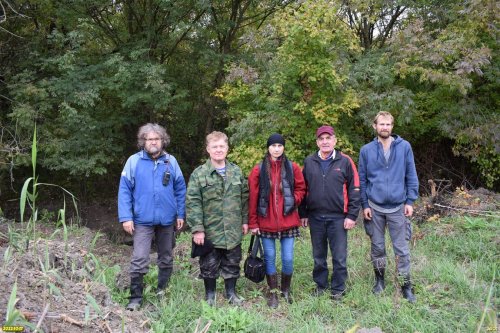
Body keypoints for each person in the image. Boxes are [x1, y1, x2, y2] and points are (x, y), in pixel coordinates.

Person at [118, 123, 186, 310]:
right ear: (143, 142)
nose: (153, 142)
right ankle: (135, 298)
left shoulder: (171, 161)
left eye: (156, 139)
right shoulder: (134, 161)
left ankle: (161, 291)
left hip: (167, 220)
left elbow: (180, 188)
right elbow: (124, 190)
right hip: (142, 219)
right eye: (149, 139)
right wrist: (126, 217)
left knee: (166, 256)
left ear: (163, 141)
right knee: (139, 257)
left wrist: (180, 213)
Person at [358, 111, 418, 303]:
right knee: (377, 248)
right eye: (381, 124)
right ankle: (380, 281)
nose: (385, 127)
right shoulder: (366, 150)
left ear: (392, 126)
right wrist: (365, 204)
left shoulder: (404, 147)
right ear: (374, 126)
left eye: (388, 124)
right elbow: (363, 180)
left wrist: (410, 201)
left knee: (401, 249)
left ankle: (405, 286)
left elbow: (411, 175)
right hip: (374, 207)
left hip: (398, 207)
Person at [186, 131, 249, 306]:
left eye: (222, 146)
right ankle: (210, 296)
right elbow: (193, 202)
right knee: (209, 265)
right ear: (208, 149)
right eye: (215, 147)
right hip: (210, 231)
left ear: (227, 148)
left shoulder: (236, 171)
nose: (219, 150)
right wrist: (197, 229)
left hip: (232, 229)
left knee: (232, 263)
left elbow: (244, 198)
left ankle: (231, 294)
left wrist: (245, 221)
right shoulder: (199, 174)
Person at [299, 125, 360, 300]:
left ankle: (338, 289)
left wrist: (352, 215)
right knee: (319, 256)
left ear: (334, 140)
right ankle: (320, 286)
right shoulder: (309, 162)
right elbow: (303, 189)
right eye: (321, 139)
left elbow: (355, 188)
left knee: (339, 257)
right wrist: (303, 213)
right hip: (316, 217)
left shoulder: (345, 161)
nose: (325, 141)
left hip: (338, 218)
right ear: (317, 142)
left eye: (328, 138)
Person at [248, 134, 306, 308]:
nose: (276, 148)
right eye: (273, 145)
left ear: (283, 148)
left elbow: (301, 188)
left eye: (280, 145)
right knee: (270, 257)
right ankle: (273, 293)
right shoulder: (258, 170)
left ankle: (285, 291)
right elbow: (253, 197)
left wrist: (293, 199)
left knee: (288, 258)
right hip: (266, 222)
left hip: (288, 220)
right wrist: (253, 223)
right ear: (268, 148)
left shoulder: (292, 167)